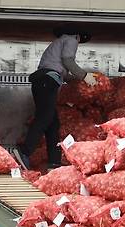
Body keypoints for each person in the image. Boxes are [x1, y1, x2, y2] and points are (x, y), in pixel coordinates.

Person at [14, 26, 98, 169]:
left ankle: (54, 161)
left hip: (43, 82)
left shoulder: (59, 42)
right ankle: (24, 152)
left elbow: (63, 74)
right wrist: (84, 75)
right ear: (78, 35)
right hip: (47, 82)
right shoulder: (71, 40)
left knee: (53, 124)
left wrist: (80, 80)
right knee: (44, 117)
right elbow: (68, 61)